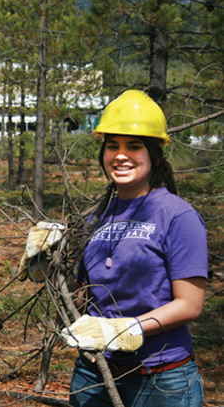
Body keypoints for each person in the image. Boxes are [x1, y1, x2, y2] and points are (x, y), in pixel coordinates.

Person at [61, 90, 208, 407]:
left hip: (162, 377)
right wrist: (48, 266)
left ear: (154, 155)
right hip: (94, 373)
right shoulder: (96, 219)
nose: (120, 155)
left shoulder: (177, 215)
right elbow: (83, 298)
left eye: (134, 146)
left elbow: (190, 305)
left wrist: (127, 328)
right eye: (112, 146)